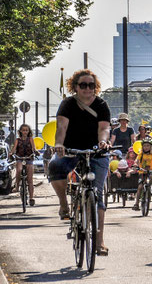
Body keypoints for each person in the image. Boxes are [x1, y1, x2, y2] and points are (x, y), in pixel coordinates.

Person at [48, 69, 111, 256]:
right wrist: (59, 144)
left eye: (91, 85)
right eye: (83, 85)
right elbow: (62, 127)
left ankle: (99, 242)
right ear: (75, 87)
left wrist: (103, 142)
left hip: (95, 151)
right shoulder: (67, 104)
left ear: (95, 87)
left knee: (97, 194)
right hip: (70, 150)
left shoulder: (101, 105)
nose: (87, 88)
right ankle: (64, 205)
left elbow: (104, 128)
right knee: (55, 167)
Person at [9, 124, 37, 204]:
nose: (25, 132)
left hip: (29, 158)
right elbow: (14, 149)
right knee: (19, 169)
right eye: (23, 130)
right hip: (20, 158)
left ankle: (31, 198)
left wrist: (36, 152)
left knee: (30, 179)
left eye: (26, 130)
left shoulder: (31, 139)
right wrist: (11, 153)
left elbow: (34, 148)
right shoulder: (18, 140)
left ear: (29, 131)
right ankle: (17, 186)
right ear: (20, 131)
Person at [132, 136, 152, 210]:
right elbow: (137, 160)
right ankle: (136, 203)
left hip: (150, 171)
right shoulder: (141, 154)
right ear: (142, 146)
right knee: (140, 187)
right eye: (144, 146)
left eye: (148, 146)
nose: (146, 147)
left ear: (151, 147)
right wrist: (135, 164)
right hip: (142, 171)